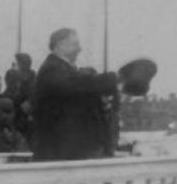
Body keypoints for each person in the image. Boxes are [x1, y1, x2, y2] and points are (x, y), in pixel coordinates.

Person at [32, 28, 119, 160]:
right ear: (60, 44)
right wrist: (114, 78)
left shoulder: (63, 69)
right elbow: (77, 85)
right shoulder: (52, 69)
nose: (80, 49)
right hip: (60, 153)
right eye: (75, 44)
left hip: (69, 151)